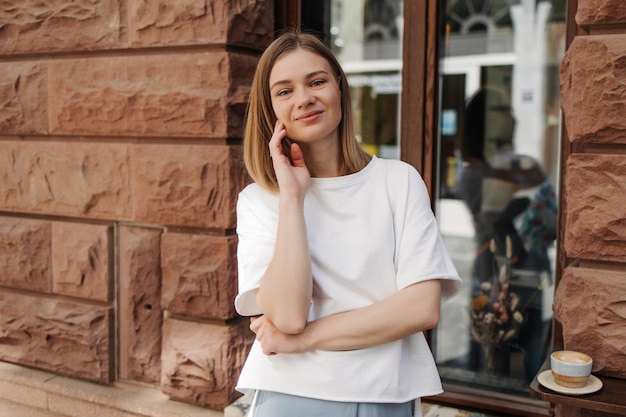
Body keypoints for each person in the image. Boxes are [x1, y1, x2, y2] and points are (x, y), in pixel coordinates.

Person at [234, 29, 462, 417]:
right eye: (284, 91)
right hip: (289, 395)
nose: (304, 98)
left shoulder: (398, 180)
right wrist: (292, 198)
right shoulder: (259, 201)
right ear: (270, 110)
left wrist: (303, 341)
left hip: (385, 395)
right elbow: (288, 315)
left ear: (339, 87)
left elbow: (421, 308)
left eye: (317, 81)